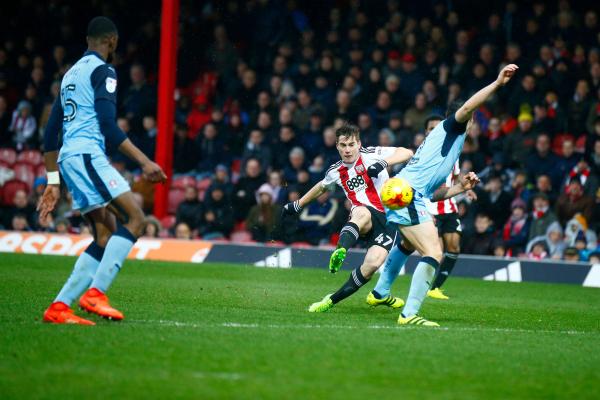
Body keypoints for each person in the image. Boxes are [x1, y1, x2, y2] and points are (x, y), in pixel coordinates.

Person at [38, 17, 166, 325]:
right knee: (135, 218)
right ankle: (96, 293)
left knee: (105, 233)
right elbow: (108, 127)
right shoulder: (104, 70)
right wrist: (145, 162)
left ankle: (59, 307)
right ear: (112, 41)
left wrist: (53, 182)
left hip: (70, 158)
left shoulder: (70, 74)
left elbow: (50, 132)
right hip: (86, 154)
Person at [371, 64, 518, 327]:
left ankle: (380, 292)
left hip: (404, 191)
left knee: (407, 245)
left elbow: (434, 192)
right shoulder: (452, 127)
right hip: (406, 194)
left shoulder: (449, 144)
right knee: (434, 252)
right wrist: (497, 84)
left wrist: (461, 188)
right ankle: (409, 314)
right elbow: (467, 107)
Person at [282, 122, 413, 312]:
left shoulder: (373, 153)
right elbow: (321, 187)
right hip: (364, 214)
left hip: (388, 219)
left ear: (359, 144)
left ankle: (330, 300)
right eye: (343, 145)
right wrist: (298, 204)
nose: (347, 149)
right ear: (337, 146)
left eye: (351, 144)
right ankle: (340, 250)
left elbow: (406, 152)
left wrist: (383, 163)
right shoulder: (335, 171)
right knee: (361, 213)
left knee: (372, 264)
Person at [421, 114, 477, 300]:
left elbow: (456, 175)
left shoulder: (453, 150)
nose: (434, 131)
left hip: (449, 206)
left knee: (453, 247)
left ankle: (434, 288)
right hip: (430, 207)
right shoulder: (424, 152)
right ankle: (423, 287)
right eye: (431, 128)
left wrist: (465, 188)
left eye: (438, 127)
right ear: (426, 132)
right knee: (436, 251)